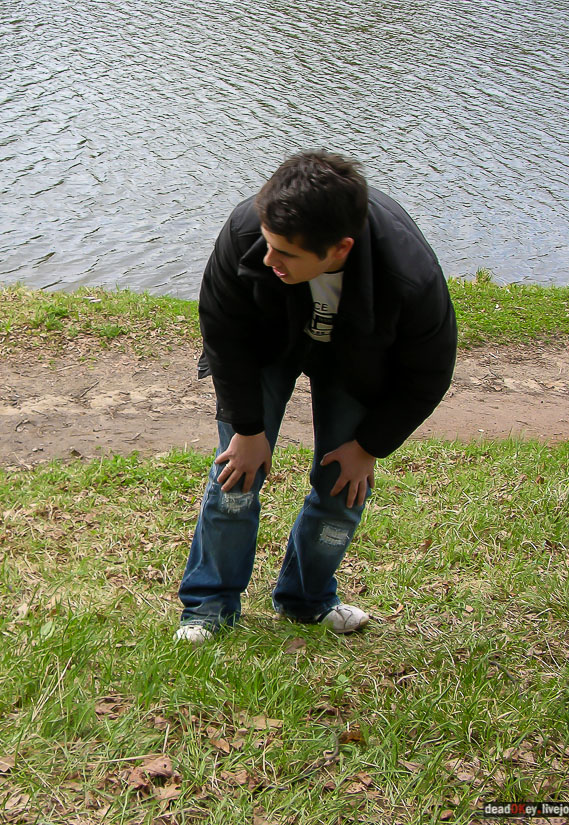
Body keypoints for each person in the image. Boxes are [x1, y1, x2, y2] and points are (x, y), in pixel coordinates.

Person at [175, 150, 457, 643]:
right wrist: (247, 428)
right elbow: (223, 333)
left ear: (339, 249)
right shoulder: (249, 231)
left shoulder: (409, 274)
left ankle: (307, 599)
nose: (267, 260)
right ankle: (211, 604)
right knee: (235, 480)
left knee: (342, 487)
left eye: (285, 253)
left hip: (356, 356)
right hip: (268, 344)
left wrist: (368, 446)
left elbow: (429, 373)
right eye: (267, 244)